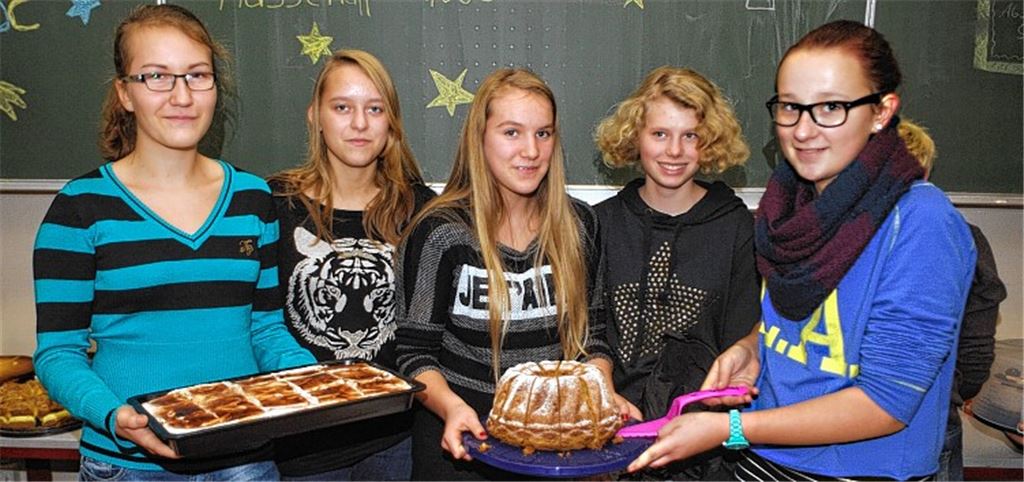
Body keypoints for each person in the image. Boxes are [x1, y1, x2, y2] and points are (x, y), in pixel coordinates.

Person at [628, 20, 977, 480]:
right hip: (763, 461)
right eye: (791, 107)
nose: (804, 130)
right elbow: (800, 326)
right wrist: (752, 348)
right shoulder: (788, 206)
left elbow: (886, 403)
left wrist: (730, 428)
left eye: (831, 107)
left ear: (881, 111)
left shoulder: (920, 222)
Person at [31, 3, 316, 480]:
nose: (181, 95)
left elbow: (265, 329)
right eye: (156, 76)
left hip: (244, 460)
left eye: (197, 75)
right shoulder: (79, 209)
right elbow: (58, 353)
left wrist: (312, 378)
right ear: (125, 93)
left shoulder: (252, 198)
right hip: (128, 464)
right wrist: (113, 415)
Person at [394, 68, 627, 480]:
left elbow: (592, 337)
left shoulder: (579, 226)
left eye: (543, 133)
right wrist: (453, 408)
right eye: (511, 132)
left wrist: (601, 396)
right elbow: (414, 354)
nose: (531, 151)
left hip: (553, 449)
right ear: (480, 138)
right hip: (462, 449)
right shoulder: (439, 232)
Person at [267, 49, 435, 481]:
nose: (360, 124)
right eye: (342, 107)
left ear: (391, 121)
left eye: (375, 109)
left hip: (394, 440)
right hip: (298, 446)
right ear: (315, 116)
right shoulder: (274, 204)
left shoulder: (420, 210)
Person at [593, 66, 761, 479]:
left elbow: (742, 337)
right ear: (635, 136)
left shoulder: (736, 227)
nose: (674, 151)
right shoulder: (599, 224)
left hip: (702, 450)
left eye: (691, 136)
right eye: (660, 134)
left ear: (711, 141)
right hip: (608, 443)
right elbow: (583, 333)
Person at [898, 120, 1008, 481]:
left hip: (849, 419)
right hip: (933, 415)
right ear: (927, 172)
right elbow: (977, 345)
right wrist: (957, 392)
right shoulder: (966, 237)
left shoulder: (843, 242)